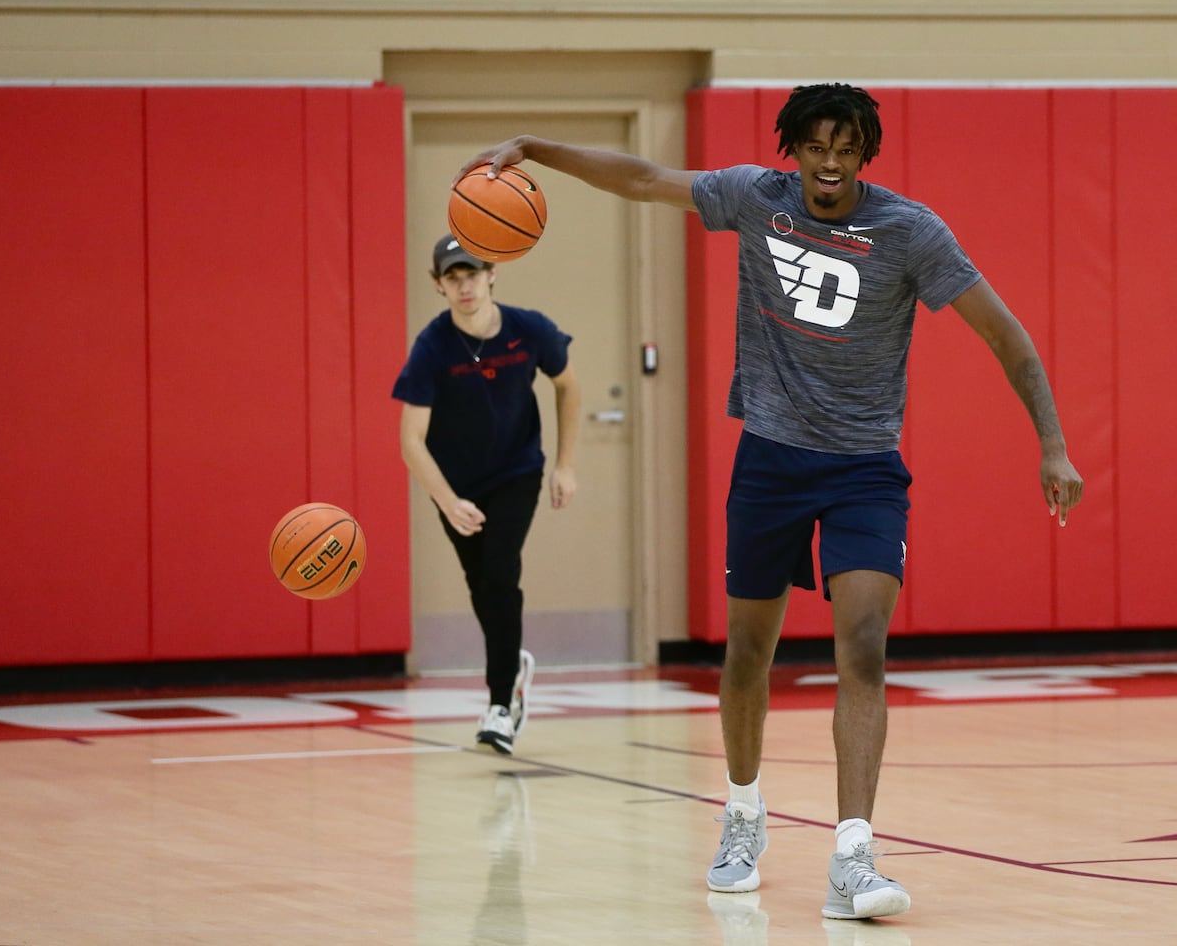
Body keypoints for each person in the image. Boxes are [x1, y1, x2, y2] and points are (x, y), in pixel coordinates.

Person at [459, 83, 1082, 919]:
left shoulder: (911, 232)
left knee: (862, 645)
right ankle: (744, 815)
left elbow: (1006, 336)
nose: (829, 163)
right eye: (815, 146)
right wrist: (540, 147)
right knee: (748, 654)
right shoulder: (757, 197)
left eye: (846, 148)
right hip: (772, 462)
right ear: (794, 149)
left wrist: (1052, 441)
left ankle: (853, 855)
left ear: (866, 154)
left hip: (864, 468)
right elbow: (644, 178)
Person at [393, 234, 581, 755]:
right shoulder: (432, 347)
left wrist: (564, 465)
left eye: (471, 273)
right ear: (439, 285)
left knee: (500, 572)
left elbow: (567, 385)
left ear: (491, 274)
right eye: (452, 277)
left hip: (516, 470)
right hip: (454, 484)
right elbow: (410, 441)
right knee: (482, 585)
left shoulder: (529, 329)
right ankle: (511, 660)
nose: (464, 285)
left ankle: (501, 703)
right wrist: (448, 501)